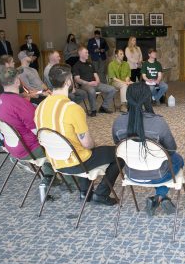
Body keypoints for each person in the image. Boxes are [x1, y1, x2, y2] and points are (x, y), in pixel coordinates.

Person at [35, 64, 121, 205]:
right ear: (68, 82)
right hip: (75, 162)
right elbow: (87, 144)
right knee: (118, 153)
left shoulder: (40, 107)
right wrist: (95, 144)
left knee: (83, 147)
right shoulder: (72, 108)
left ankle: (85, 193)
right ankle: (101, 194)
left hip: (54, 161)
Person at [112, 82, 184, 216]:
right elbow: (172, 150)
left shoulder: (118, 122)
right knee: (178, 159)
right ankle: (160, 196)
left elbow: (118, 148)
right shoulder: (158, 122)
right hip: (158, 175)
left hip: (131, 173)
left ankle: (159, 197)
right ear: (148, 98)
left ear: (127, 98)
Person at [0, 66, 57, 185]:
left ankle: (49, 176)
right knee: (61, 142)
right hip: (28, 149)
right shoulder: (20, 103)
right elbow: (37, 130)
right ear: (17, 81)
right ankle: (72, 182)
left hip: (12, 147)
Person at [73, 46, 116, 117]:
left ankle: (104, 107)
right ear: (80, 54)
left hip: (95, 83)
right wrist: (88, 83)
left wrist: (97, 81)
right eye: (86, 53)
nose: (88, 54)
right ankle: (93, 110)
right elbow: (77, 79)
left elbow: (96, 75)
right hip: (85, 85)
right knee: (92, 91)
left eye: (87, 52)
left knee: (112, 89)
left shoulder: (90, 64)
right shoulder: (76, 66)